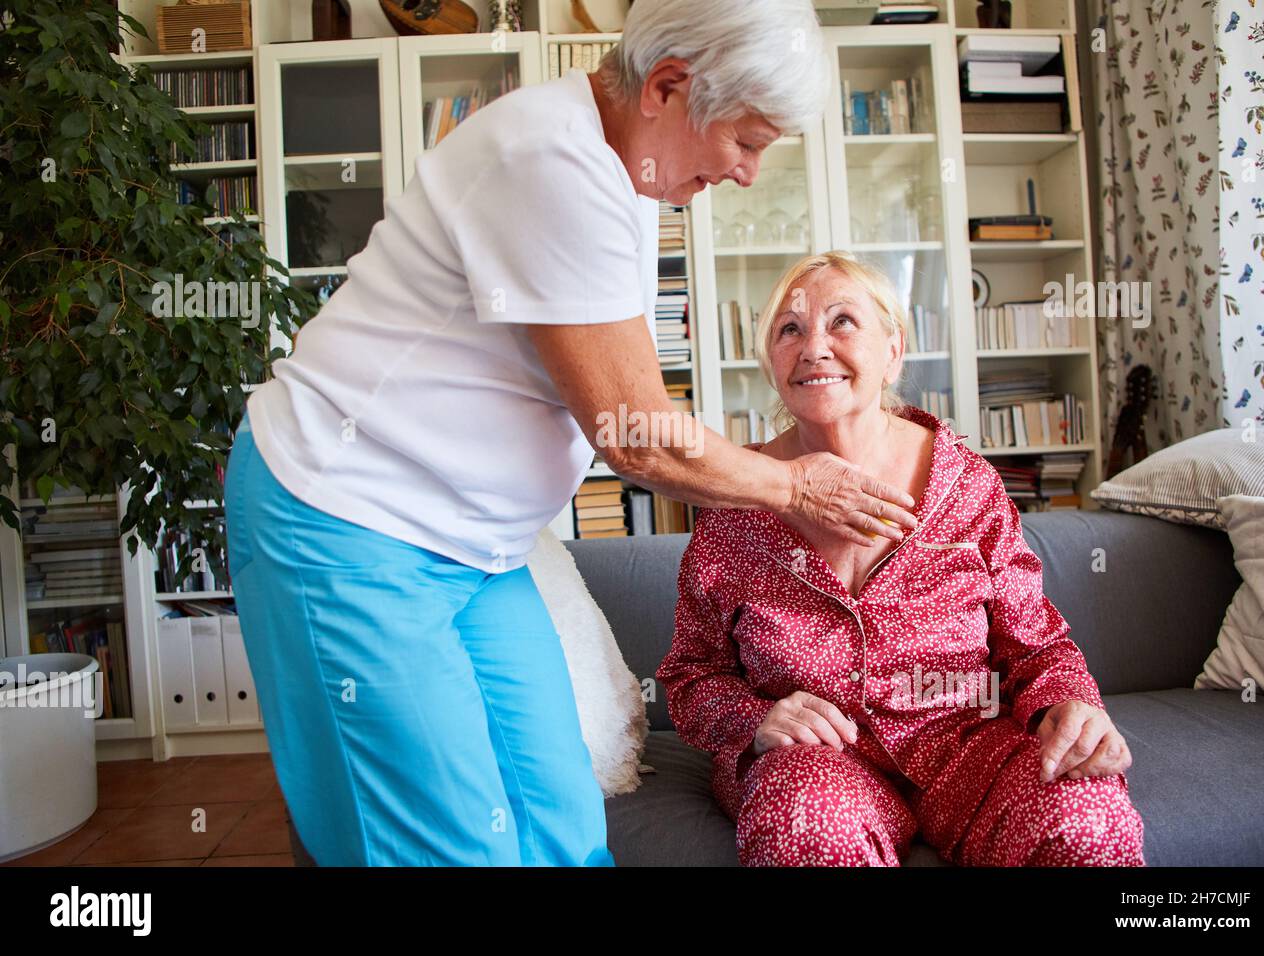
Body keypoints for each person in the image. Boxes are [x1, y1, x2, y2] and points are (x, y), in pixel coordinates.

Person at [223, 1, 920, 866]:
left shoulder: (621, 171)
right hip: (348, 515)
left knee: (559, 818)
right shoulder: (551, 158)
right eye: (747, 141)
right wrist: (796, 484)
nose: (748, 172)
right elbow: (639, 437)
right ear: (670, 87)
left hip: (477, 544)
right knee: (439, 845)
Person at [657, 252, 1146, 866]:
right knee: (806, 823)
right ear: (771, 364)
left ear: (893, 350)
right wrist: (756, 719)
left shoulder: (964, 482)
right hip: (818, 762)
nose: (814, 348)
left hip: (966, 747)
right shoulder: (737, 500)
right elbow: (690, 674)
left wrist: (1070, 707)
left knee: (1086, 818)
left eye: (842, 322)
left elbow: (1035, 644)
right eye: (790, 328)